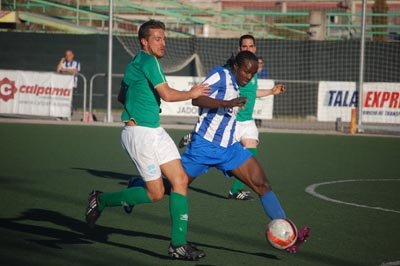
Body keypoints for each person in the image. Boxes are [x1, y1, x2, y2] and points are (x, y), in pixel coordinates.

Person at [84, 19, 210, 261]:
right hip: (140, 135)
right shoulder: (148, 60)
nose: (163, 43)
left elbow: (122, 95)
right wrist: (193, 93)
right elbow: (168, 94)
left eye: (164, 38)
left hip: (154, 131)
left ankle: (178, 245)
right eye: (157, 39)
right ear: (144, 41)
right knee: (155, 192)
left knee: (180, 180)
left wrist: (139, 104)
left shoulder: (138, 63)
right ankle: (100, 200)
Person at [181, 51, 310, 254]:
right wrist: (227, 103)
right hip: (204, 147)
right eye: (246, 72)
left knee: (262, 184)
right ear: (235, 67)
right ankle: (127, 192)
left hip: (229, 148)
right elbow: (196, 99)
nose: (248, 77)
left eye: (252, 74)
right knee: (166, 189)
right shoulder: (220, 74)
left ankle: (288, 235)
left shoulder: (237, 83)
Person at [227, 34, 285, 200]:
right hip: (232, 121)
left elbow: (253, 92)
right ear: (239, 49)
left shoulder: (253, 69)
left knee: (250, 153)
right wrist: (234, 102)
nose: (248, 49)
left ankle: (235, 191)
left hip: (247, 122)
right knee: (210, 158)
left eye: (251, 46)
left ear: (255, 48)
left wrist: (271, 91)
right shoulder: (234, 69)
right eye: (244, 46)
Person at [56, 50, 80, 119]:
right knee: (62, 100)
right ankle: (61, 115)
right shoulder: (63, 63)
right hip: (64, 85)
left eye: (69, 55)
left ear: (72, 55)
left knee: (70, 101)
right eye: (66, 55)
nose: (67, 57)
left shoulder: (77, 63)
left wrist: (64, 70)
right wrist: (61, 61)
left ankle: (68, 113)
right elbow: (58, 70)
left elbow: (74, 71)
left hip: (72, 85)